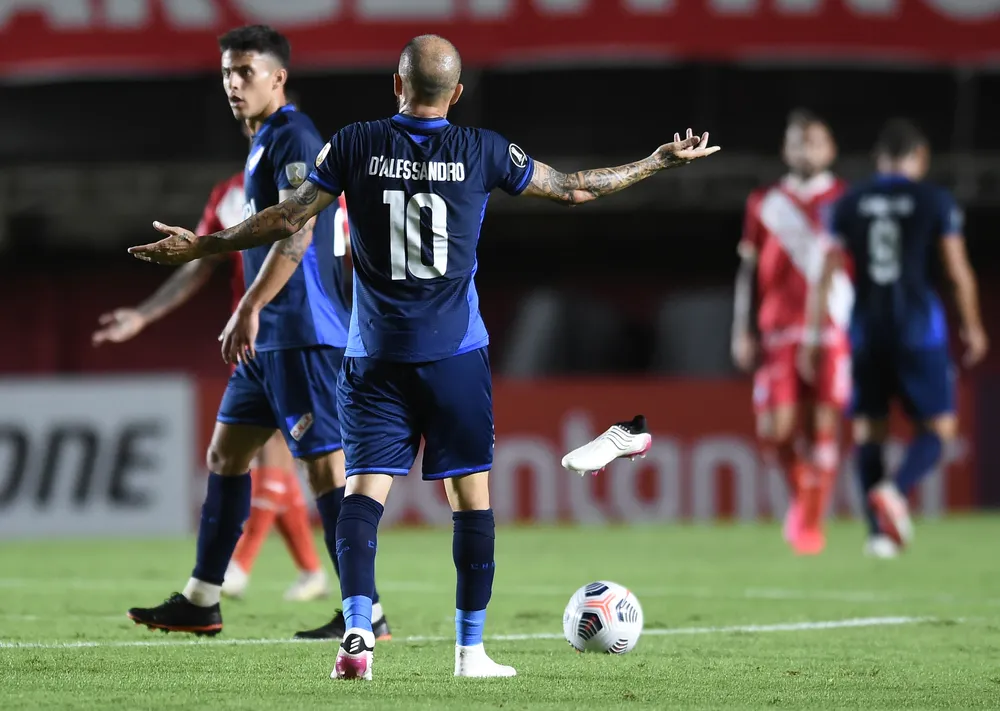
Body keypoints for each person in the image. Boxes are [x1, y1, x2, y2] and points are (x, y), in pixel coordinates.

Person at [127, 34, 719, 679]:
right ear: (457, 94)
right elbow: (576, 188)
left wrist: (201, 246)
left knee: (361, 495)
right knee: (471, 503)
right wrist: (656, 162)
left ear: (395, 84)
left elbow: (284, 219)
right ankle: (470, 654)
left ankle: (357, 631)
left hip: (374, 353)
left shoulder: (353, 143)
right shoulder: (485, 149)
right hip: (455, 355)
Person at [126, 24, 391, 640]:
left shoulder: (295, 134)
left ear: (279, 78)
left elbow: (296, 231)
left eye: (246, 72)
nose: (233, 83)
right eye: (226, 72)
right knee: (226, 455)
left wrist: (247, 305)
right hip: (266, 339)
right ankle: (201, 598)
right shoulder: (263, 141)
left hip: (300, 331)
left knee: (325, 472)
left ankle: (366, 611)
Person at [93, 160, 334, 603]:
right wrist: (143, 314)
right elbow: (198, 263)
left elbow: (338, 253)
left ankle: (243, 571)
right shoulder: (229, 194)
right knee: (247, 458)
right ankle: (301, 573)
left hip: (297, 336)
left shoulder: (310, 188)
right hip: (250, 341)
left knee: (295, 464)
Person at [801, 118, 987, 558]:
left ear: (878, 159)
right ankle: (897, 492)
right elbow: (958, 270)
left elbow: (824, 272)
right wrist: (973, 325)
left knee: (869, 432)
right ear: (919, 157)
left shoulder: (849, 202)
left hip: (864, 329)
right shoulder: (934, 199)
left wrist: (813, 335)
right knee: (939, 429)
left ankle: (878, 536)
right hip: (919, 329)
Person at [731, 110, 851, 555]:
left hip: (831, 329)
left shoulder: (845, 200)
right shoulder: (764, 202)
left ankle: (811, 523)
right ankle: (804, 491)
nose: (807, 151)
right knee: (774, 431)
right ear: (786, 149)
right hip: (777, 329)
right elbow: (747, 270)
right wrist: (740, 328)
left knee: (823, 423)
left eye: (815, 142)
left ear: (831, 149)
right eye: (799, 143)